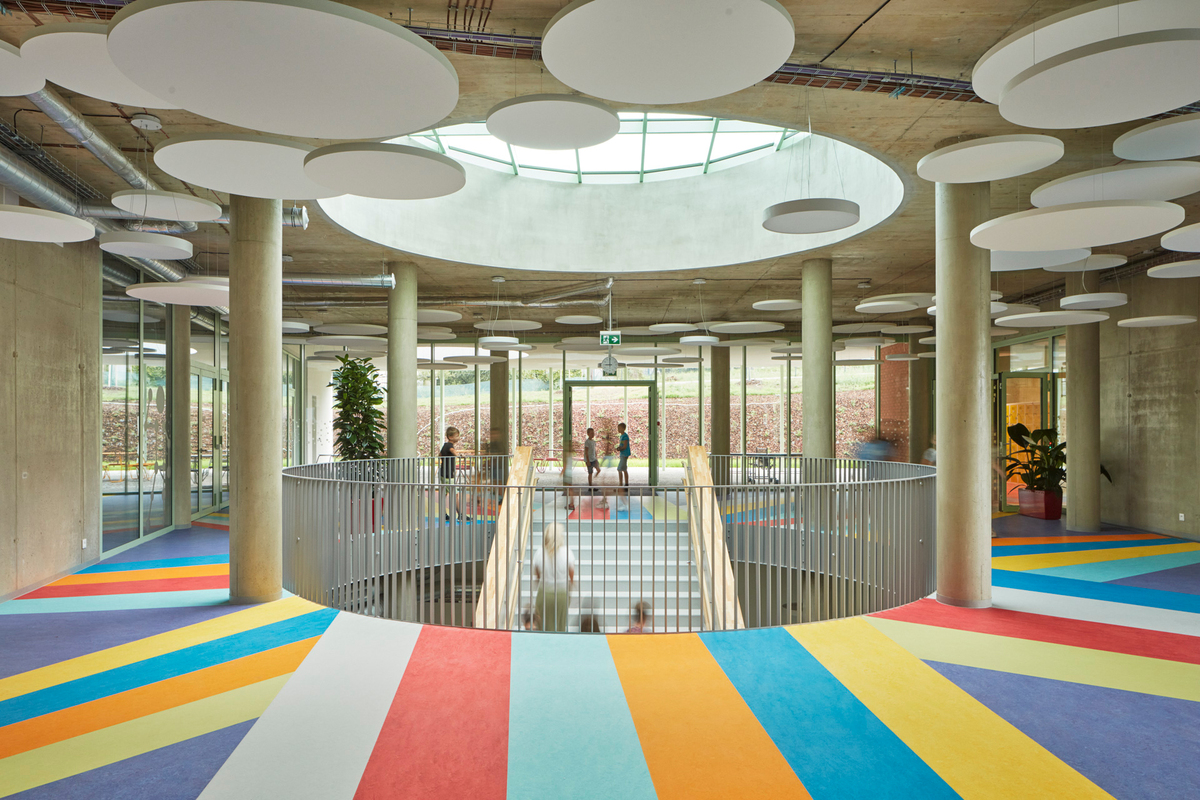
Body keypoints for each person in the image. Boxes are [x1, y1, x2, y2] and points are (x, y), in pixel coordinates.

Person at [532, 523, 575, 632]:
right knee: (559, 627)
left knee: (542, 627)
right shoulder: (567, 552)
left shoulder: (539, 553)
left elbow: (537, 576)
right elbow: (571, 576)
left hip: (544, 593)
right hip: (561, 595)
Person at [439, 427, 470, 522]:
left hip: (444, 473)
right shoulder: (449, 446)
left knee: (444, 494)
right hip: (448, 474)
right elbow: (453, 451)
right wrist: (460, 456)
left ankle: (443, 514)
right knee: (455, 495)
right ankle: (461, 515)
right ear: (450, 437)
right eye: (456, 436)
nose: (458, 437)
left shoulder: (445, 446)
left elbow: (440, 455)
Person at [561, 440, 576, 511]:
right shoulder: (571, 453)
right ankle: (571, 503)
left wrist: (561, 473)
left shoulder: (566, 454)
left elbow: (565, 465)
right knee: (570, 489)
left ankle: (572, 504)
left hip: (567, 473)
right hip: (570, 472)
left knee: (570, 490)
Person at [617, 422, 631, 487]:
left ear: (623, 429)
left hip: (624, 454)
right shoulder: (622, 436)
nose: (618, 429)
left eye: (619, 428)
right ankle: (626, 484)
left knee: (619, 469)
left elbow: (625, 446)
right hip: (622, 454)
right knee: (624, 469)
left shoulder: (625, 436)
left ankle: (621, 484)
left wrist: (620, 448)